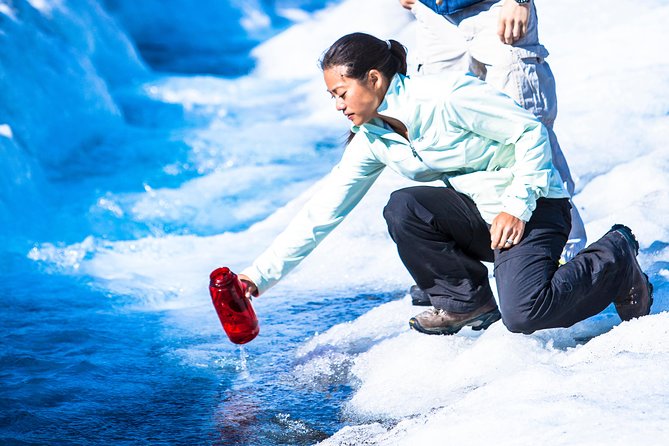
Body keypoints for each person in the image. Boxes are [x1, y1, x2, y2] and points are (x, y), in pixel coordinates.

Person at [237, 33, 653, 336]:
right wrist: (258, 276)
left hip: (532, 208)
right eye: (332, 96)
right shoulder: (373, 139)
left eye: (342, 92)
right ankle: (466, 302)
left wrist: (517, 205)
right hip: (481, 216)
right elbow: (324, 210)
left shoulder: (446, 96)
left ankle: (615, 255)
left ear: (375, 79)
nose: (338, 105)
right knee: (405, 206)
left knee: (526, 315)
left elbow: (529, 133)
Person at [398, 0, 587, 269]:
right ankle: (482, 272)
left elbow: (531, 135)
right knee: (446, 133)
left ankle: (569, 258)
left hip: (496, 9)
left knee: (525, 129)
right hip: (435, 15)